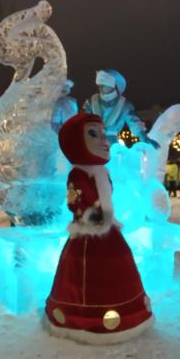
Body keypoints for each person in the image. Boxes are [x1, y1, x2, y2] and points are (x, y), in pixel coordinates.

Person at [45, 112, 154, 343]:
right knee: (87, 277)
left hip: (107, 230)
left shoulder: (102, 171)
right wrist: (91, 216)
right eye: (93, 134)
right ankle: (85, 318)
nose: (104, 140)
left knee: (116, 274)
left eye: (103, 133)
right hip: (88, 234)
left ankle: (126, 312)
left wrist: (106, 218)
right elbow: (75, 201)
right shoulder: (79, 173)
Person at [83, 69, 159, 148]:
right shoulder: (91, 101)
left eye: (103, 85)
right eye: (99, 85)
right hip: (94, 142)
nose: (100, 88)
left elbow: (134, 122)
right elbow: (82, 120)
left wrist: (144, 137)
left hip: (113, 144)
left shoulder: (124, 105)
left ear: (112, 85)